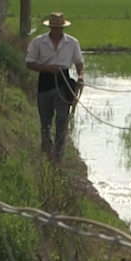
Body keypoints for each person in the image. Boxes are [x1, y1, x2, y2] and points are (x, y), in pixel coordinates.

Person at [25, 11, 84, 162]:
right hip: (45, 83)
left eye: (60, 28)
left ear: (63, 28)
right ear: (50, 27)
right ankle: (47, 148)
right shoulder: (39, 42)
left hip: (63, 83)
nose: (57, 30)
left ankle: (58, 154)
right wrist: (47, 69)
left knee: (62, 119)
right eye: (55, 28)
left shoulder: (72, 43)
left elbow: (79, 62)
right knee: (45, 121)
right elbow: (29, 62)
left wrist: (81, 75)